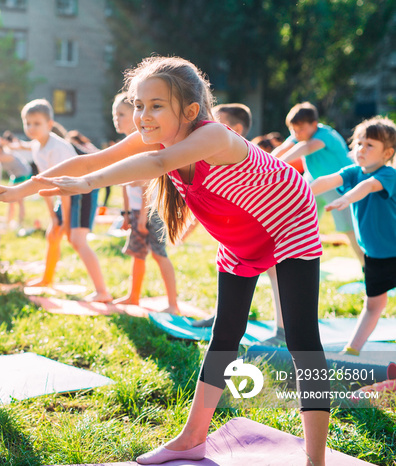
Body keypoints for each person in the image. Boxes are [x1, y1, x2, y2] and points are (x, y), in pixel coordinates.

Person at [0, 56, 330, 466]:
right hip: (239, 232)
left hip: (287, 217)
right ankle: (193, 437)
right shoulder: (157, 137)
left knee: (302, 338)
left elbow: (145, 166)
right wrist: (19, 191)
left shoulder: (214, 138)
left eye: (156, 105)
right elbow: (93, 160)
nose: (142, 115)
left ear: (190, 111)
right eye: (138, 104)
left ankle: (315, 459)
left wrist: (85, 185)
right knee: (225, 332)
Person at [192, 104, 286, 347]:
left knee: (277, 274)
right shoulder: (216, 157)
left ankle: (283, 329)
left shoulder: (248, 156)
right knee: (228, 270)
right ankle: (219, 315)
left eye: (216, 124)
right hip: (237, 231)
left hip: (269, 228)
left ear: (234, 129)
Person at [310, 116, 396, 356]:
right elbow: (327, 180)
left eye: (370, 145)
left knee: (375, 304)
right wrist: (301, 191)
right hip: (376, 255)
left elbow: (368, 186)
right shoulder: (353, 171)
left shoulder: (388, 174)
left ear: (387, 152)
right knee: (373, 305)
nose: (361, 149)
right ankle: (352, 350)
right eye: (359, 143)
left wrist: (347, 198)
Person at [21, 99, 111, 302]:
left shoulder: (57, 148)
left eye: (36, 123)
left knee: (76, 239)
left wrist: (66, 224)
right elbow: (43, 184)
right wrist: (53, 217)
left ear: (49, 124)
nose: (31, 128)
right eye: (28, 123)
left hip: (82, 191)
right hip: (65, 192)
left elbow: (66, 187)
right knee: (52, 235)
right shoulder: (37, 147)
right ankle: (47, 279)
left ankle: (102, 292)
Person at [271, 102, 364, 265]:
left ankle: (366, 266)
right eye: (293, 130)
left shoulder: (326, 134)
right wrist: (268, 161)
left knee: (349, 229)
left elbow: (306, 148)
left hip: (338, 186)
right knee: (299, 225)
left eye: (300, 129)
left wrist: (274, 165)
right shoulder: (299, 135)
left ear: (314, 124)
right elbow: (283, 148)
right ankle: (295, 263)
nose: (296, 134)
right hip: (313, 185)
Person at [110, 93, 178, 312]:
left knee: (159, 254)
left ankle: (173, 304)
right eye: (114, 113)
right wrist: (126, 214)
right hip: (137, 211)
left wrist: (141, 217)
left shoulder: (147, 143)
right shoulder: (125, 146)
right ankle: (133, 296)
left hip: (152, 211)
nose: (116, 118)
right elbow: (124, 184)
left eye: (121, 114)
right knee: (138, 253)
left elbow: (148, 183)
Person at [0, 135, 31, 230]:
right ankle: (8, 222)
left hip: (22, 175)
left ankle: (20, 223)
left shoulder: (4, 155)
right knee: (10, 200)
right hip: (15, 175)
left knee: (19, 200)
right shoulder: (1, 154)